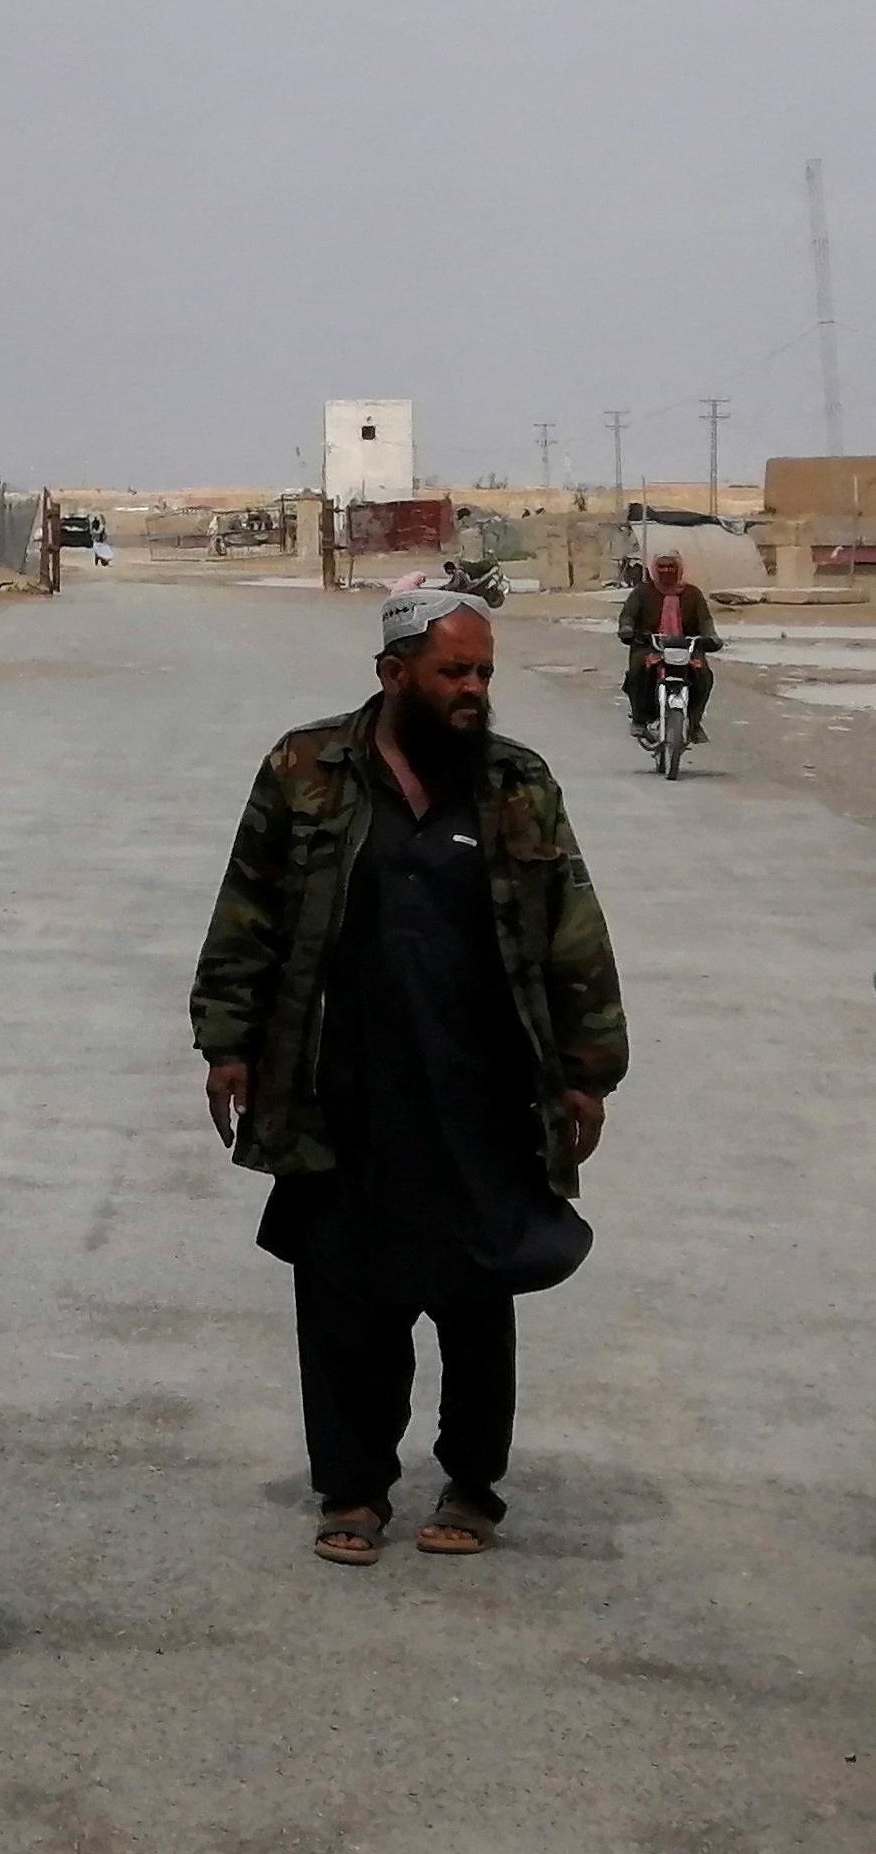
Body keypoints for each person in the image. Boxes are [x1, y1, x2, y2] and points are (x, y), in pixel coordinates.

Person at [187, 590, 624, 1566]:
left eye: (483, 675)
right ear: (394, 674)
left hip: (481, 1091)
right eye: (453, 673)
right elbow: (247, 908)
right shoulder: (305, 771)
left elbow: (571, 929)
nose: (473, 692)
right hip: (337, 1084)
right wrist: (228, 1041)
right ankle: (353, 1488)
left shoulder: (516, 782)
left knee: (477, 1293)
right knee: (345, 1290)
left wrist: (587, 1071)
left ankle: (473, 1482)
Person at [618, 547, 718, 745]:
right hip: (650, 645)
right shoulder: (643, 591)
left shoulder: (693, 594)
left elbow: (705, 621)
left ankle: (694, 723)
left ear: (679, 568)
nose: (666, 571)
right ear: (654, 568)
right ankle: (639, 719)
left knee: (704, 676)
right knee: (638, 671)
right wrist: (627, 629)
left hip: (686, 646)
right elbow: (628, 615)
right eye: (661, 566)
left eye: (671, 566)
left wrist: (711, 637)